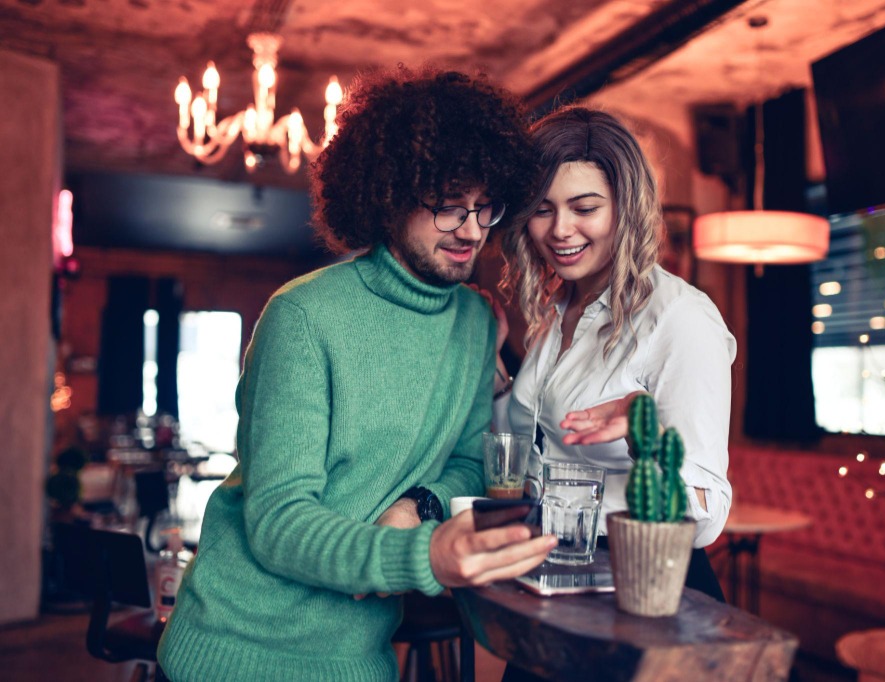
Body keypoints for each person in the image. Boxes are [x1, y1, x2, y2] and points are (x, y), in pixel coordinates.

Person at [157, 67, 555, 682]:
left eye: (485, 208)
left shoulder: (477, 322)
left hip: (361, 660)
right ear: (391, 194)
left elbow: (471, 462)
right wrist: (426, 553)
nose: (472, 230)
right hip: (237, 652)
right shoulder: (303, 316)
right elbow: (278, 523)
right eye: (449, 207)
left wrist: (415, 505)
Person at [500, 106, 736, 596]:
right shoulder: (556, 307)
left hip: (641, 583)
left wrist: (644, 439)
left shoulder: (680, 318)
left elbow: (709, 517)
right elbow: (529, 452)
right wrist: (490, 358)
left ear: (626, 208)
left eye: (585, 208)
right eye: (542, 209)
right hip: (556, 570)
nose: (560, 229)